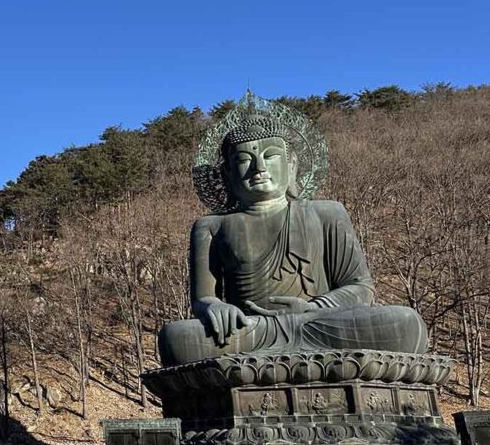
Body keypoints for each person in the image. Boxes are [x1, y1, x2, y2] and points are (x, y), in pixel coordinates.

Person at [158, 95, 427, 368]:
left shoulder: (326, 213)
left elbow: (361, 287)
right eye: (244, 159)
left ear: (292, 165)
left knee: (404, 322)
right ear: (227, 173)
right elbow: (203, 298)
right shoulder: (211, 226)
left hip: (317, 322)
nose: (259, 168)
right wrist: (215, 307)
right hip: (252, 329)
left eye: (270, 156)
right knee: (177, 337)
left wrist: (315, 307)